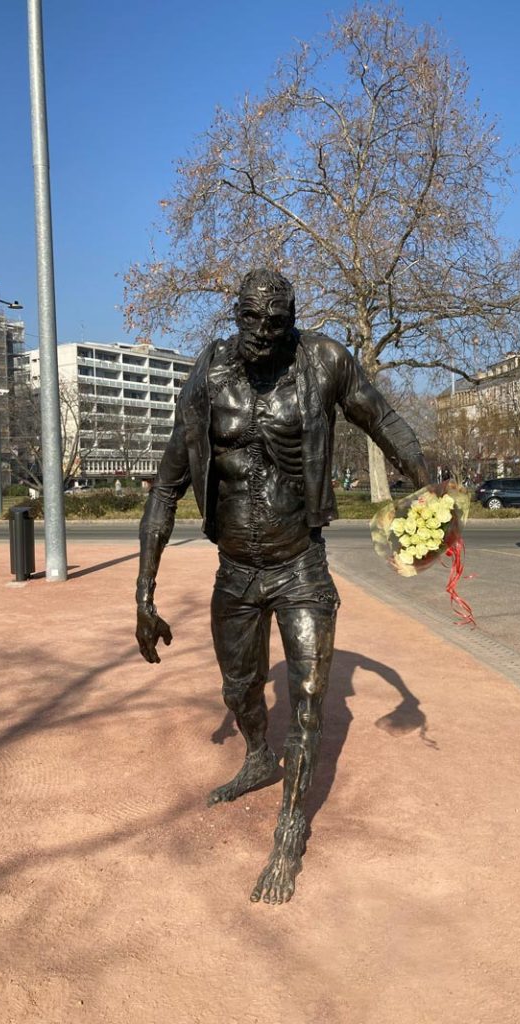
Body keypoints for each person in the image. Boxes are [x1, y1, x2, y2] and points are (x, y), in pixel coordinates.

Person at [135, 268, 429, 904]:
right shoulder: (208, 375)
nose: (264, 334)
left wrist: (431, 482)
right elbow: (166, 484)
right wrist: (144, 594)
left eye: (277, 322)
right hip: (236, 569)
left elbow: (385, 420)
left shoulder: (325, 362)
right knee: (239, 687)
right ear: (236, 314)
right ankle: (257, 757)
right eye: (252, 321)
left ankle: (291, 829)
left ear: (292, 317)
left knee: (308, 697)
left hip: (300, 565)